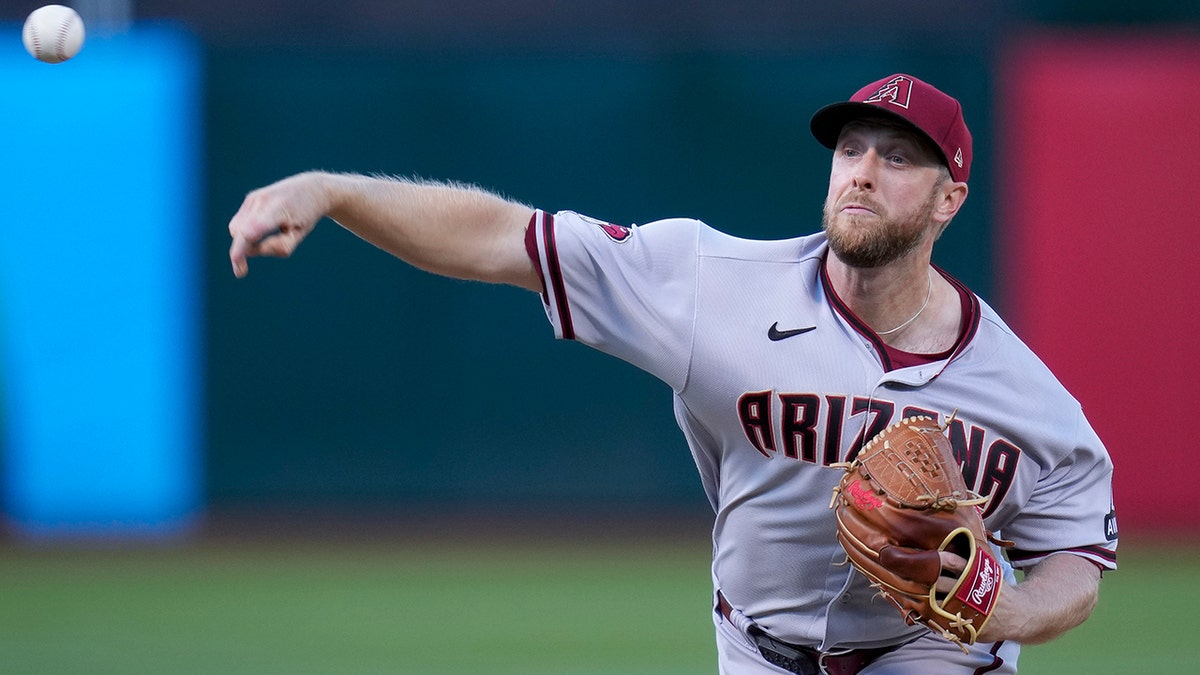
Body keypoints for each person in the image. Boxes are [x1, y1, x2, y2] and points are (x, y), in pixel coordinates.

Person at [228, 73, 1117, 674]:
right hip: (759, 645)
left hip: (931, 653)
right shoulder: (709, 281)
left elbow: (1078, 559)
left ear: (950, 197)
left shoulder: (1025, 397)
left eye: (898, 157)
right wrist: (332, 190)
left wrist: (1005, 613)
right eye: (852, 149)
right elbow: (504, 238)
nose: (863, 173)